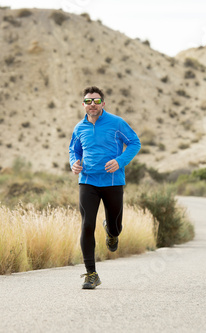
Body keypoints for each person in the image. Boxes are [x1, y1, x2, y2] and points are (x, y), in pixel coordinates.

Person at [69, 86, 141, 289]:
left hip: (112, 181)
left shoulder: (116, 123)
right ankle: (91, 274)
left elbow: (135, 143)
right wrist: (74, 162)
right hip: (88, 181)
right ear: (83, 104)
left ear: (103, 103)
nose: (93, 104)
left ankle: (111, 232)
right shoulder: (79, 128)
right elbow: (73, 150)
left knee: (116, 225)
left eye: (97, 101)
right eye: (88, 101)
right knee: (87, 225)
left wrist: (120, 161)